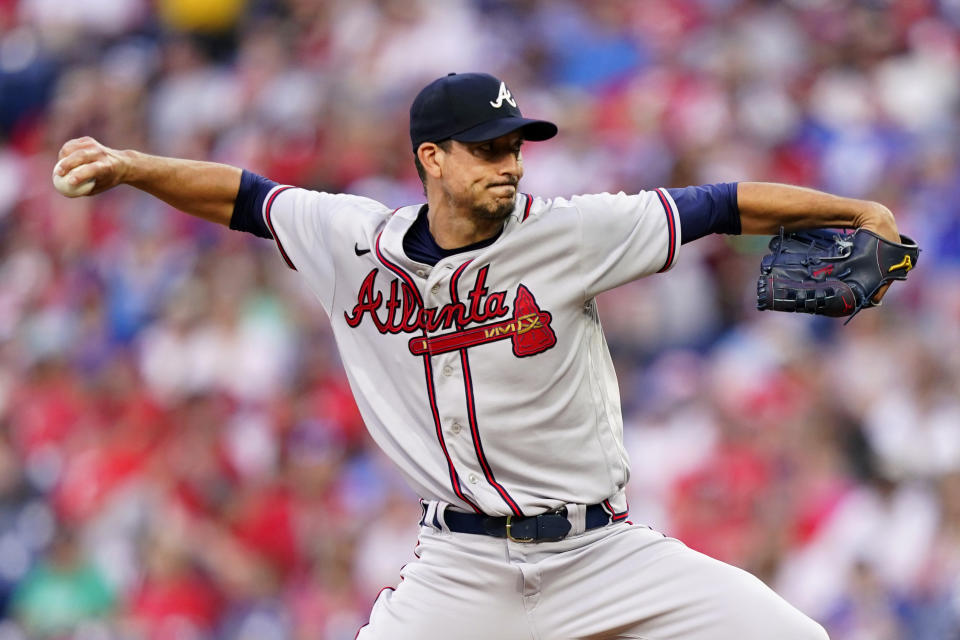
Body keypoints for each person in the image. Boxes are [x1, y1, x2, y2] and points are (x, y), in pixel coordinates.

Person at [55, 72, 901, 639]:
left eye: (516, 146)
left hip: (599, 553)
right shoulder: (351, 240)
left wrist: (851, 206)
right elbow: (246, 197)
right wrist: (131, 166)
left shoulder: (571, 231)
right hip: (460, 570)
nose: (511, 164)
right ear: (432, 158)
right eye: (490, 149)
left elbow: (718, 205)